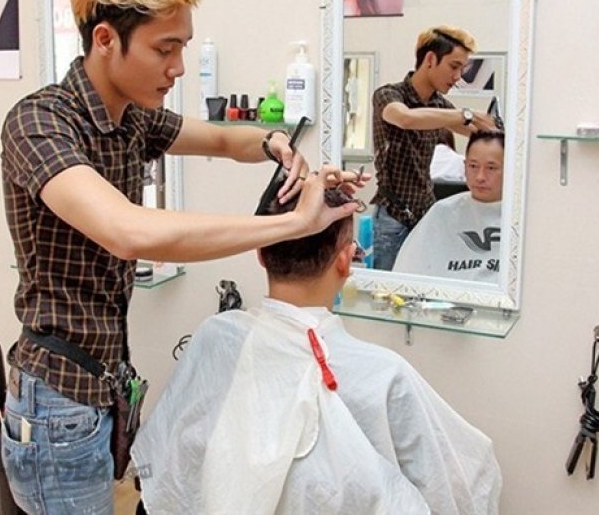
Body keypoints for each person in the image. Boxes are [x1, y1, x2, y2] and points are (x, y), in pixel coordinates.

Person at [0, 0, 364, 515]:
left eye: (183, 48)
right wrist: (291, 224)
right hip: (57, 400)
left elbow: (221, 139)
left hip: (100, 390)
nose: (178, 67)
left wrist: (276, 145)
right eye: (164, 49)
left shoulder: (131, 118)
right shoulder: (39, 123)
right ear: (105, 39)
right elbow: (128, 232)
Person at [132, 186, 502, 514]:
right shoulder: (384, 373)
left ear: (260, 253)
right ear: (346, 260)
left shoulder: (218, 336)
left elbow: (168, 454)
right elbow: (464, 480)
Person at [371, 25, 498, 271]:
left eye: (462, 69)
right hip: (392, 218)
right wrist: (466, 114)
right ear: (430, 59)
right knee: (388, 288)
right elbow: (405, 118)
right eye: (454, 66)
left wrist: (494, 130)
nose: (458, 76)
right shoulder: (388, 95)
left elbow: (479, 134)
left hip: (426, 213)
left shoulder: (440, 105)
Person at [394, 130, 504, 282]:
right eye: (473, 166)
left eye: (491, 168)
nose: (480, 177)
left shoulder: (521, 216)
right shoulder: (442, 210)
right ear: (464, 166)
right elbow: (408, 269)